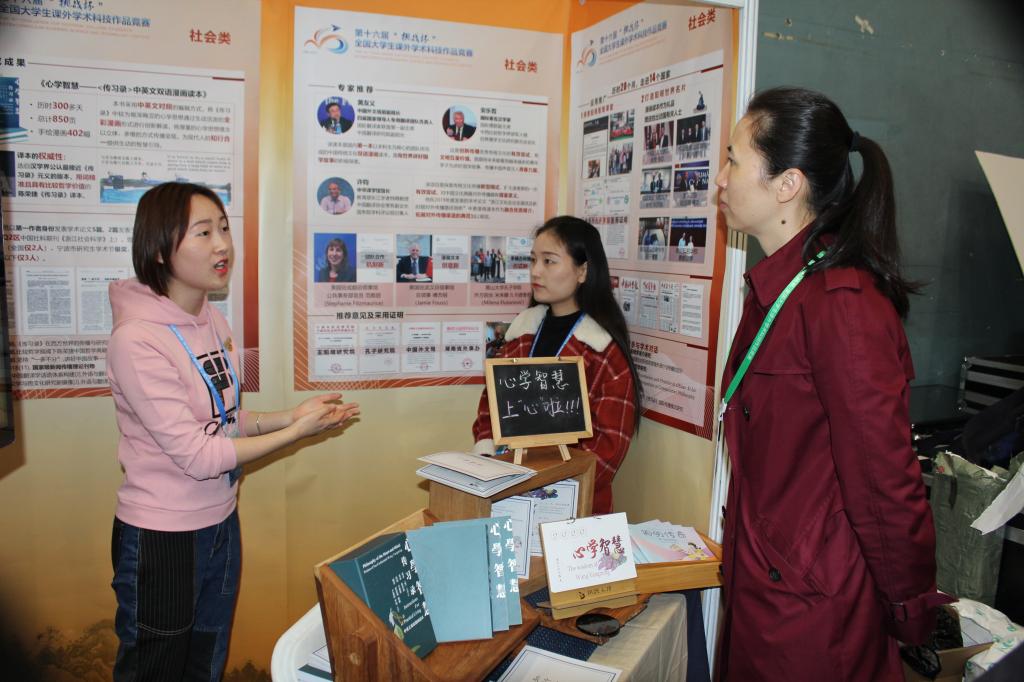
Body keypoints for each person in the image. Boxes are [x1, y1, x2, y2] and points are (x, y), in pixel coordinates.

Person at [712, 87, 949, 681]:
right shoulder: (779, 288)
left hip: (815, 610)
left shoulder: (842, 305)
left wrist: (911, 610)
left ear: (787, 184)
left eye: (734, 160)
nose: (720, 178)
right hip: (765, 583)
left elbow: (883, 479)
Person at [107, 182, 360, 681]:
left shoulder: (211, 319)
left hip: (221, 520)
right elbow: (198, 454)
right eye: (203, 233)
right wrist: (296, 433)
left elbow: (225, 422)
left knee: (207, 661)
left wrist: (291, 416)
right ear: (159, 249)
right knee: (156, 669)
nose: (222, 245)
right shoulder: (136, 339)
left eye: (223, 228)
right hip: (162, 536)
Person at [471, 216, 642, 514]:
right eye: (533, 260)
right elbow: (490, 409)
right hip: (506, 494)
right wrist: (490, 462)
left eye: (549, 261)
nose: (535, 271)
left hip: (573, 506)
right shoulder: (521, 333)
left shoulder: (603, 350)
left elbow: (607, 452)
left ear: (582, 271)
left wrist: (541, 487)